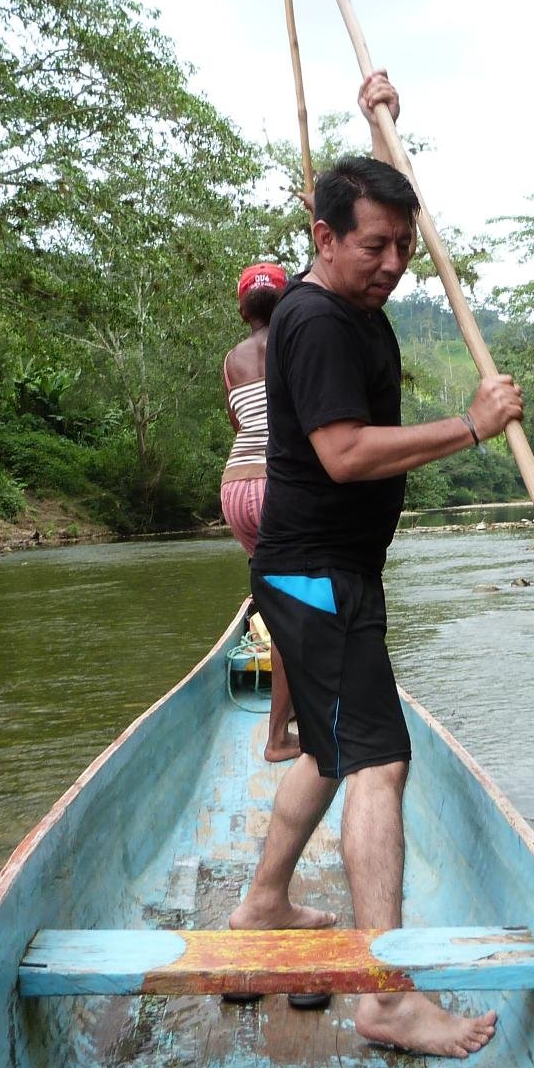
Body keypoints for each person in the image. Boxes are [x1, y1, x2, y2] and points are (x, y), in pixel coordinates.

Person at [228, 72, 524, 1058]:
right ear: (322, 238)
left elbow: (390, 199)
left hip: (324, 574)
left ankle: (264, 902)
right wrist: (470, 430)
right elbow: (345, 454)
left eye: (402, 246)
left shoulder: (353, 298)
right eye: (373, 246)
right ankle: (387, 996)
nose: (394, 263)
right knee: (380, 763)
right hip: (317, 577)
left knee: (328, 750)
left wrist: (380, 131)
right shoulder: (312, 323)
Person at [220, 259, 299, 762]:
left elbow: (239, 423)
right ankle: (277, 738)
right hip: (279, 486)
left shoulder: (231, 360)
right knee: (298, 616)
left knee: (276, 603)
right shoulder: (298, 341)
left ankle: (291, 705)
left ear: (243, 309)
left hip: (235, 491)